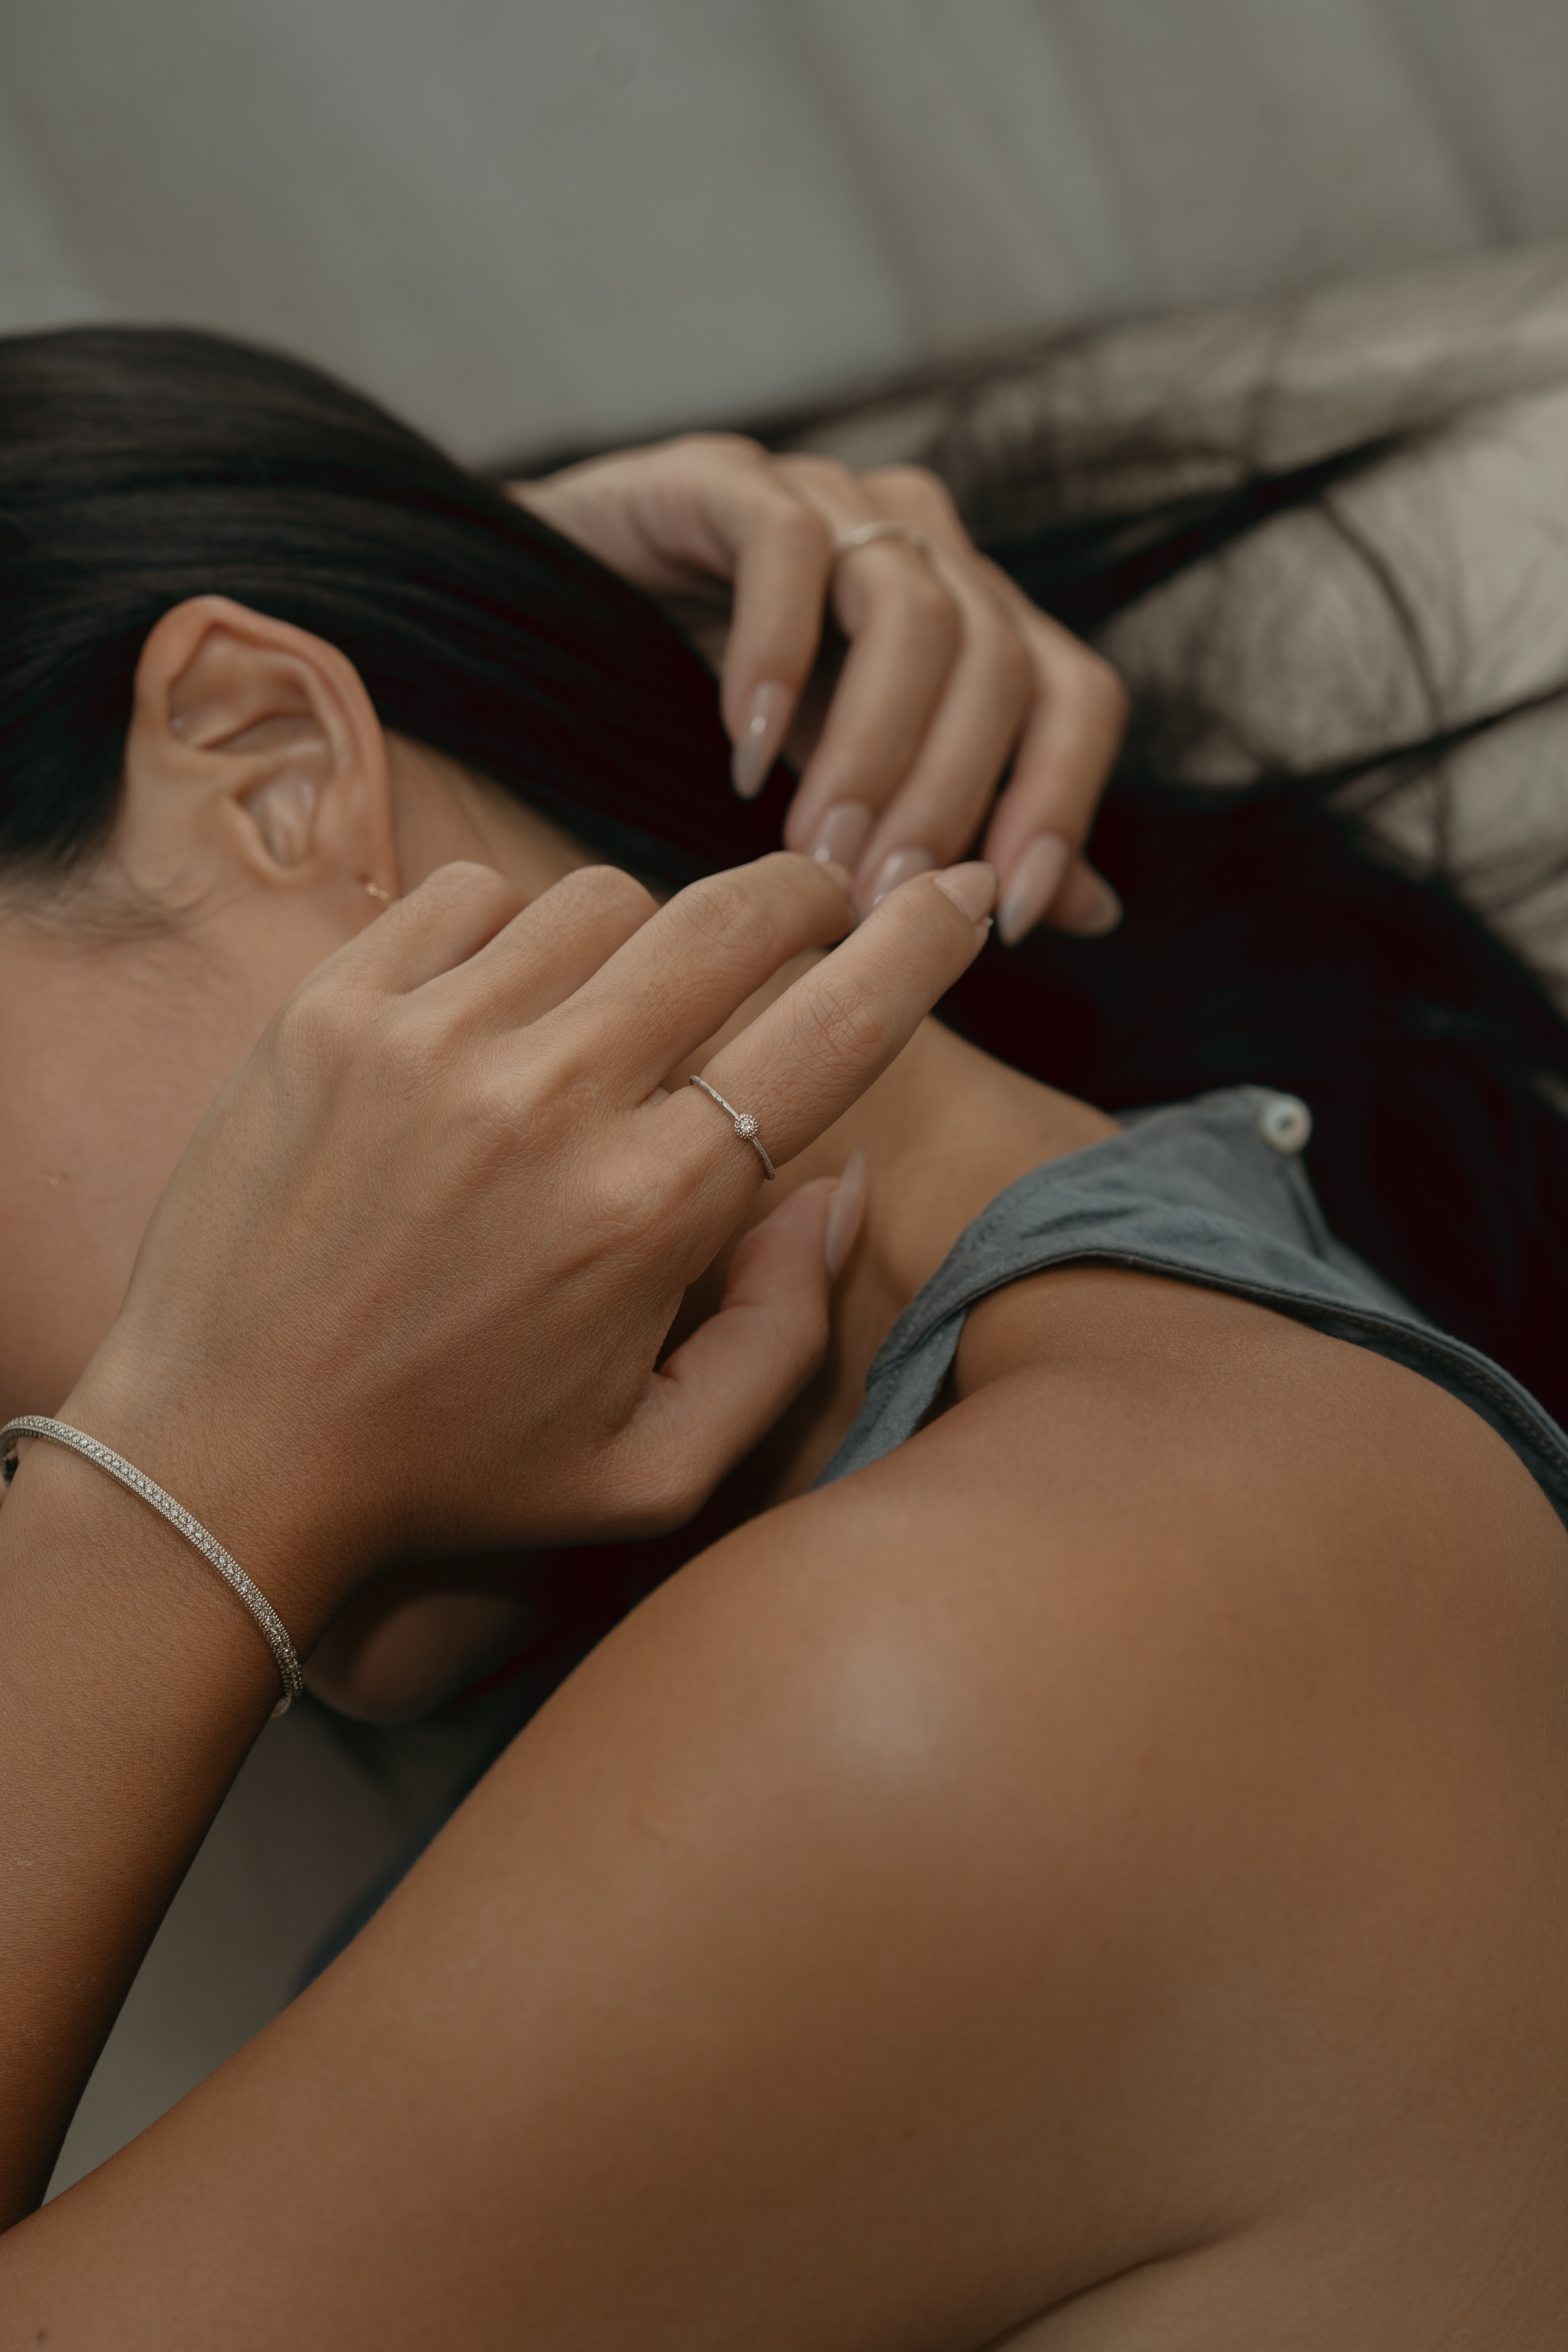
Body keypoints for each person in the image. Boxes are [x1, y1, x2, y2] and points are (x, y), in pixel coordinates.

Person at [1, 325, 1566, 2346]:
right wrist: (466, 622)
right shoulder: (1100, 1448)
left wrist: (173, 1496)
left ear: (280, 764)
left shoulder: (952, 1669)